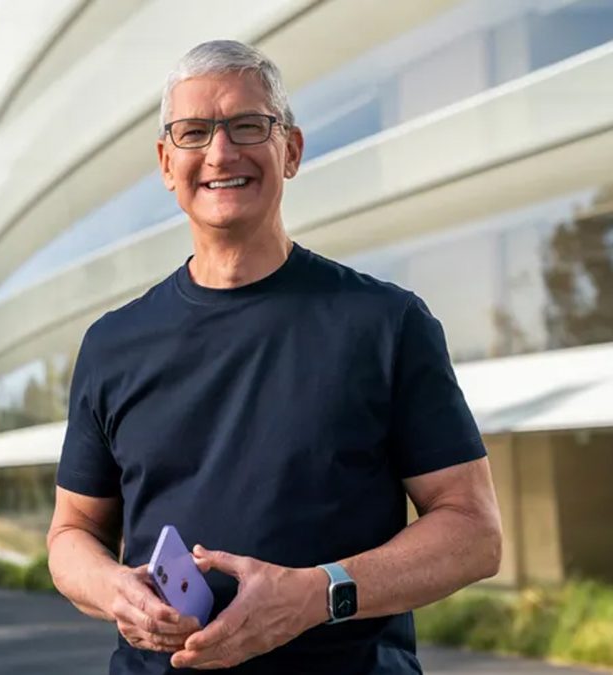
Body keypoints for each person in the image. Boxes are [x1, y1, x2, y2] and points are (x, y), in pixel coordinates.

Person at [45, 39, 502, 674]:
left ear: (291, 150)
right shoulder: (112, 344)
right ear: (166, 162)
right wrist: (112, 589)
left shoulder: (387, 323)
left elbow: (474, 531)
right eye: (194, 132)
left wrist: (318, 595)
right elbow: (72, 532)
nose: (220, 152)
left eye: (248, 126)